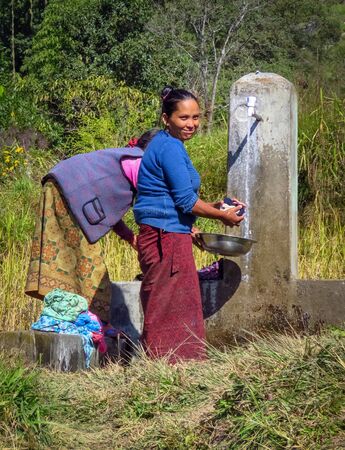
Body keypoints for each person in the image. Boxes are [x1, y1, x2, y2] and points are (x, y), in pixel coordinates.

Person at [133, 86, 245, 363]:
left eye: (196, 117)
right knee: (168, 302)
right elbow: (184, 201)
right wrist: (222, 216)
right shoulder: (169, 147)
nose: (191, 124)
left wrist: (215, 206)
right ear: (166, 118)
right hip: (164, 237)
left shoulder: (168, 144)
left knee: (174, 300)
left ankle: (177, 364)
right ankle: (169, 365)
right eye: (184, 118)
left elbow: (178, 196)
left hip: (169, 233)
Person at [25, 130, 159, 329]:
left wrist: (131, 238)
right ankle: (98, 322)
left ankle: (77, 318)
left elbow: (107, 212)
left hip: (58, 186)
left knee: (66, 260)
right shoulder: (141, 163)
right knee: (89, 265)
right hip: (68, 193)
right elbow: (155, 205)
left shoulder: (127, 158)